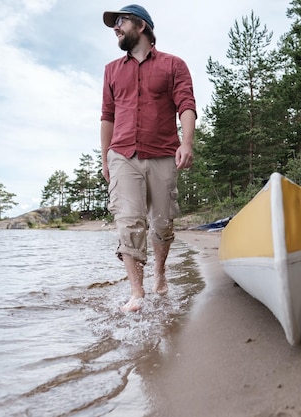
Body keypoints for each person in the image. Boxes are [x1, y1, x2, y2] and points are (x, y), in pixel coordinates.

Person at [100, 4, 197, 312]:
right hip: (122, 155)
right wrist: (105, 159)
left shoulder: (174, 65)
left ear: (141, 26)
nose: (116, 28)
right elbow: (107, 116)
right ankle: (137, 292)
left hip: (163, 153)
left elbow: (186, 104)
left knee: (162, 224)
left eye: (120, 22)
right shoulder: (111, 70)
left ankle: (159, 272)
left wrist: (187, 142)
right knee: (128, 222)